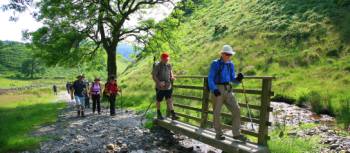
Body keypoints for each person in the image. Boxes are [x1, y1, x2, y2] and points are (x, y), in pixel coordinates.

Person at [207, 45, 246, 141]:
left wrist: (238, 78)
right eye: (227, 54)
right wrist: (214, 89)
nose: (229, 56)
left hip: (228, 89)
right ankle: (218, 134)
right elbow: (210, 78)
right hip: (217, 89)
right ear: (222, 54)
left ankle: (236, 134)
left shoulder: (231, 64)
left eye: (230, 54)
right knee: (216, 113)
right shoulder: (215, 64)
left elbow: (232, 79)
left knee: (236, 109)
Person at [152, 52, 178, 120]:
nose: (167, 60)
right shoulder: (157, 66)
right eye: (165, 59)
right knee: (159, 100)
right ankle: (158, 113)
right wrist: (159, 82)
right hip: (160, 87)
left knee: (169, 99)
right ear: (161, 58)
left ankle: (173, 114)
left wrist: (172, 77)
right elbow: (154, 76)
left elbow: (170, 72)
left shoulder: (169, 65)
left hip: (168, 86)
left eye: (167, 59)